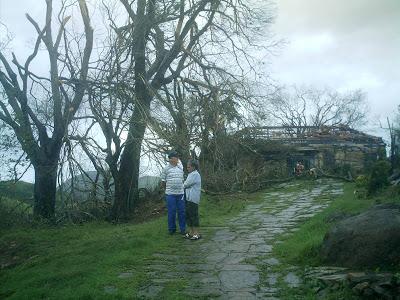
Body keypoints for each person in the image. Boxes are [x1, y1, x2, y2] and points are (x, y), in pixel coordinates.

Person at [161, 151, 186, 235]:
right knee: (171, 212)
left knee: (181, 212)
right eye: (174, 158)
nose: (176, 159)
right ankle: (172, 229)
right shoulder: (166, 168)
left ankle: (183, 229)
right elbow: (163, 181)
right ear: (170, 159)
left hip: (181, 194)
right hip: (170, 194)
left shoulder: (180, 166)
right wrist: (167, 190)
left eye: (177, 158)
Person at [183, 159, 202, 240]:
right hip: (188, 198)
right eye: (187, 167)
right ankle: (191, 232)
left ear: (193, 167)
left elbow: (185, 184)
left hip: (193, 199)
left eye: (189, 167)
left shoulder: (195, 174)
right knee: (188, 216)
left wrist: (184, 184)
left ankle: (197, 233)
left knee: (193, 216)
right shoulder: (191, 174)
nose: (187, 168)